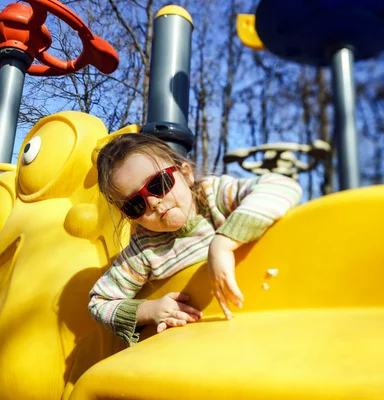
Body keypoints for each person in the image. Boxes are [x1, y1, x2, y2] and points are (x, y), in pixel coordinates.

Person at [88, 133, 302, 345]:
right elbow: (99, 303)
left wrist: (223, 243)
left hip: (264, 319)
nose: (153, 202)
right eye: (135, 204)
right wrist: (149, 310)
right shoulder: (144, 249)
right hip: (197, 343)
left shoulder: (213, 198)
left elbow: (281, 185)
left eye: (158, 184)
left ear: (186, 174)